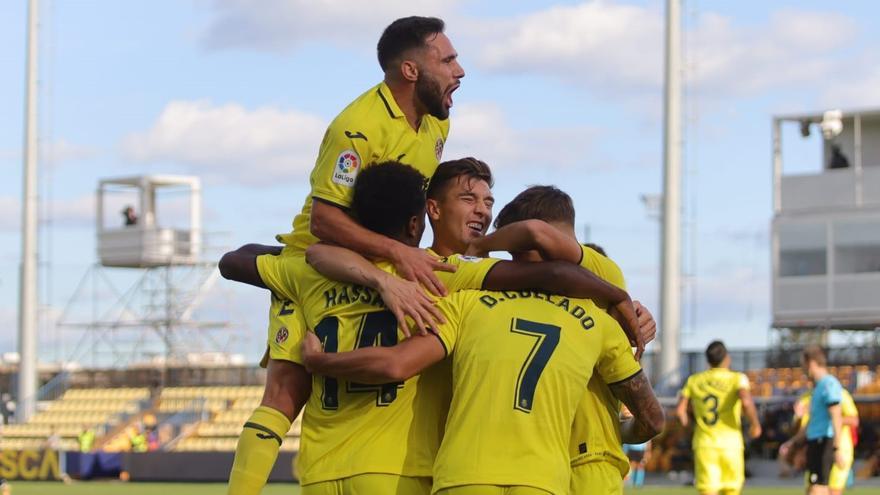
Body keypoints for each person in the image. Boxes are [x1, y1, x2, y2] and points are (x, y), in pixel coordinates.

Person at [259, 161, 639, 494]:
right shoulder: (452, 275)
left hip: (333, 466)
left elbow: (287, 255)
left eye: (488, 202)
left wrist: (380, 277)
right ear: (430, 211)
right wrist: (619, 298)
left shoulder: (333, 268)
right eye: (468, 199)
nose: (482, 211)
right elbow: (551, 265)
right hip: (414, 468)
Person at [224, 16, 465, 495]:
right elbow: (324, 223)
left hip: (382, 261)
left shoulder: (438, 120)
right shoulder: (357, 127)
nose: (460, 70)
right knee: (286, 392)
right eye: (448, 59)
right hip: (318, 260)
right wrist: (400, 256)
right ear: (411, 70)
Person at [471, 186, 656, 495]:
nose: (514, 264)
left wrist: (478, 246)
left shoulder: (600, 270)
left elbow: (534, 231)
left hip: (586, 458)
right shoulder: (520, 296)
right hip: (536, 462)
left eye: (518, 251)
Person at [676, 341, 762, 495]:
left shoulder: (694, 380)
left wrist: (690, 428)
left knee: (708, 490)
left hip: (705, 444)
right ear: (727, 358)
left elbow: (680, 412)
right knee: (731, 490)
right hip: (731, 444)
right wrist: (755, 424)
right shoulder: (737, 378)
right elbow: (747, 402)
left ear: (708, 360)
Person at [779, 347, 847, 495]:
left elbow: (836, 416)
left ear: (811, 363)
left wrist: (837, 448)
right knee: (813, 488)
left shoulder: (829, 384)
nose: (803, 370)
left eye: (804, 365)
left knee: (818, 488)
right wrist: (794, 442)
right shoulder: (817, 389)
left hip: (824, 442)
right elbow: (812, 422)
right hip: (816, 442)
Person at [790, 388, 860, 495]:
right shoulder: (805, 398)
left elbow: (854, 420)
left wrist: (829, 417)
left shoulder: (840, 394)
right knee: (813, 489)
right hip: (813, 449)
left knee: (834, 491)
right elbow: (799, 428)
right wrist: (798, 448)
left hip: (840, 448)